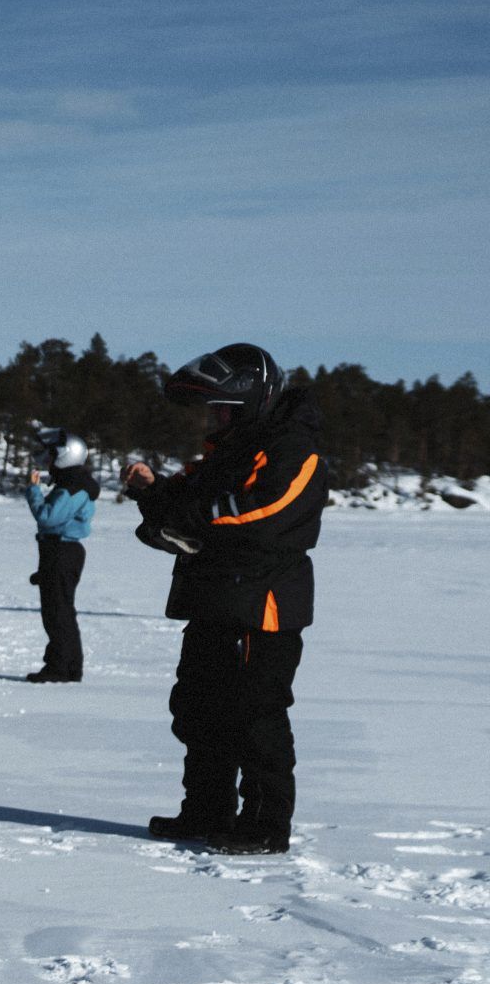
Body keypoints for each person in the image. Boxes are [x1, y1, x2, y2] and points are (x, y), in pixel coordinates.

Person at [123, 344, 325, 855]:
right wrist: (151, 492)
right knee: (197, 708)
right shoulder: (226, 453)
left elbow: (265, 510)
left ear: (251, 402)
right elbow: (183, 500)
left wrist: (189, 522)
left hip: (263, 607)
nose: (212, 420)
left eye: (222, 410)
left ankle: (264, 824)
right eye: (210, 410)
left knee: (255, 715)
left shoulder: (291, 448)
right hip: (215, 600)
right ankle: (206, 811)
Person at [24, 430, 98, 683]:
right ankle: (68, 666)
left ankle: (60, 667)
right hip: (59, 551)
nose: (48, 460)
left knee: (57, 612)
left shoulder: (72, 487)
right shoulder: (71, 483)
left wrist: (33, 491)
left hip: (62, 551)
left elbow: (49, 517)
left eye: (52, 455)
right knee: (60, 611)